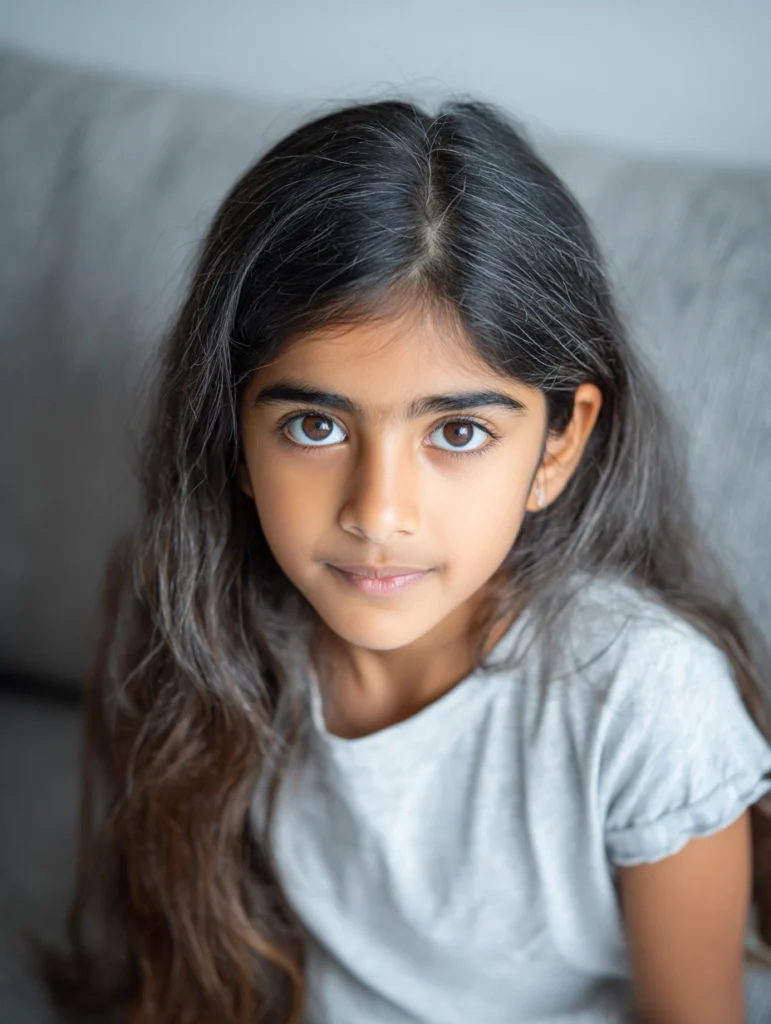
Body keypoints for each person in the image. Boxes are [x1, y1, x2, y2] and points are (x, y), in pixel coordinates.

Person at [39, 97, 771, 1024]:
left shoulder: (646, 701)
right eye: (314, 426)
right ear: (234, 437)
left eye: (457, 431)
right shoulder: (197, 623)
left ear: (555, 445)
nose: (377, 513)